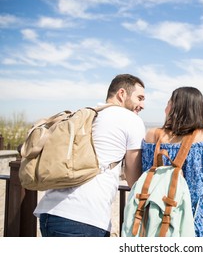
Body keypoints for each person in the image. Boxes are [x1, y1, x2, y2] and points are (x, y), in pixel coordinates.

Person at [34, 74, 146, 237]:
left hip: (49, 213)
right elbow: (133, 179)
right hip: (84, 218)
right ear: (122, 94)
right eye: (140, 98)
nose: (143, 105)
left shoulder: (87, 114)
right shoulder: (131, 120)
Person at [142, 86, 203, 237]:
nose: (165, 109)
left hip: (157, 220)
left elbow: (145, 177)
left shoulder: (152, 136)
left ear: (176, 108)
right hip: (195, 220)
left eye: (168, 103)